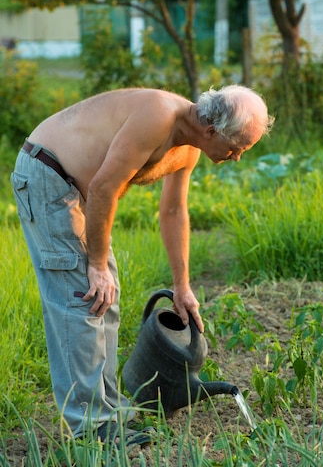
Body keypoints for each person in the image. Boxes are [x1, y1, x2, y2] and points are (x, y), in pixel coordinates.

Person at [11, 84, 273, 445]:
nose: (237, 157)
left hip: (79, 190)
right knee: (83, 297)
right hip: (48, 174)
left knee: (106, 298)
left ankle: (110, 411)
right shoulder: (158, 116)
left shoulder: (188, 147)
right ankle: (92, 430)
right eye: (236, 148)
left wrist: (182, 285)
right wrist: (96, 264)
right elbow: (104, 186)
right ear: (212, 130)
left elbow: (173, 211)